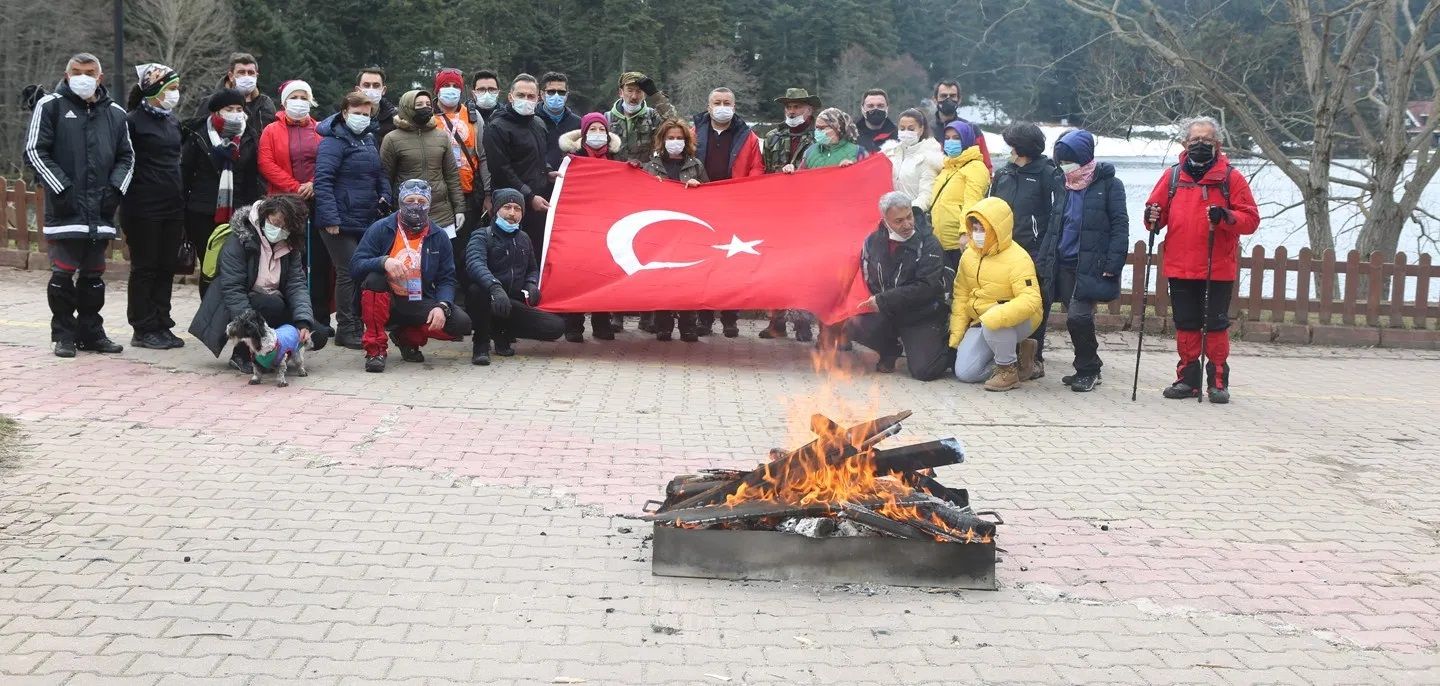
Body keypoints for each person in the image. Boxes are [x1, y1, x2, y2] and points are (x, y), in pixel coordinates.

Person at [1144, 116, 1260, 403]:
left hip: (1216, 267)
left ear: (1217, 145)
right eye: (1195, 141)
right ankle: (1187, 380)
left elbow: (1251, 219)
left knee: (1216, 325)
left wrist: (1226, 217)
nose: (1200, 145)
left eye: (1206, 141)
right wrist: (1151, 217)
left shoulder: (1231, 178)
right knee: (1185, 324)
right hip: (1180, 266)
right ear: (1185, 144)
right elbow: (1155, 214)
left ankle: (1218, 381)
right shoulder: (1172, 177)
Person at [25, 52, 134, 357]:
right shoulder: (51, 106)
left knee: (94, 276)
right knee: (62, 274)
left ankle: (91, 332)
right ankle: (63, 334)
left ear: (100, 77)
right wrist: (62, 188)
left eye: (89, 71)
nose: (82, 76)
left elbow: (127, 156)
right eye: (76, 71)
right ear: (67, 73)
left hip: (101, 210)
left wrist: (115, 190)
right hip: (65, 209)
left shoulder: (116, 113)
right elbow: (35, 150)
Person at [1029, 129, 1129, 392]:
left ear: (1083, 157)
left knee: (1078, 316)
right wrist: (1046, 257)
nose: (1064, 166)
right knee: (1060, 314)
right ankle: (1084, 363)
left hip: (1090, 264)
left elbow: (1120, 225)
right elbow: (1055, 223)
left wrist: (1113, 263)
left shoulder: (1109, 185)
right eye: (1061, 161)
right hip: (1061, 260)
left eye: (1068, 160)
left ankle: (1089, 368)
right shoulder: (1064, 184)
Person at [188, 195, 321, 372]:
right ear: (265, 216)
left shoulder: (291, 244)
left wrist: (303, 322)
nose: (279, 229)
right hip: (237, 304)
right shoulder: (240, 239)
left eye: (285, 226)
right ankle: (241, 354)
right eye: (275, 223)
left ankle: (276, 353)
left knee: (318, 335)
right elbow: (232, 290)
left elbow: (296, 284)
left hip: (273, 299)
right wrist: (251, 326)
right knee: (271, 304)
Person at [351, 179, 472, 373]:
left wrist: (442, 306)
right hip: (384, 298)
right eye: (410, 200)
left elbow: (447, 279)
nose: (416, 205)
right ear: (400, 202)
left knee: (460, 323)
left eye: (421, 200)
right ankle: (375, 350)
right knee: (375, 278)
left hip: (417, 298)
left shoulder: (439, 236)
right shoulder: (381, 228)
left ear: (429, 204)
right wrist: (383, 262)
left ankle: (406, 338)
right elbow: (355, 266)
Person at [314, 91, 392, 350]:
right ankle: (346, 328)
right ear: (344, 113)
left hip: (365, 218)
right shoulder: (332, 142)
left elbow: (379, 172)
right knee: (347, 272)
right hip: (338, 220)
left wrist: (385, 195)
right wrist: (330, 218)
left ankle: (358, 322)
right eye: (356, 113)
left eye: (365, 114)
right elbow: (322, 182)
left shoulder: (369, 140)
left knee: (362, 272)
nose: (361, 118)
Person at [848, 191, 951, 381]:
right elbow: (867, 277)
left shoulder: (929, 243)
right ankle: (889, 349)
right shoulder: (872, 241)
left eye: (909, 217)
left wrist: (884, 299)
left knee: (924, 372)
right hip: (888, 311)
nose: (907, 224)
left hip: (921, 315)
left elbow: (925, 287)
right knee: (847, 322)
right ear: (885, 220)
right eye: (899, 221)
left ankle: (945, 344)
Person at [990, 122, 1065, 380]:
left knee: (1034, 304)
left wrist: (1045, 252)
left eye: (1011, 144)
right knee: (1004, 301)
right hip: (1002, 251)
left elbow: (1056, 216)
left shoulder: (1048, 174)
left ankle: (1035, 356)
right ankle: (1005, 356)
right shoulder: (1003, 174)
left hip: (1033, 250)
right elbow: (990, 210)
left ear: (1019, 147)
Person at [258, 80, 332, 337]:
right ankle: (286, 314)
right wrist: (295, 186)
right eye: (294, 96)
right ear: (284, 101)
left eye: (304, 96)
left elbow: (326, 160)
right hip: (282, 205)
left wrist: (312, 183)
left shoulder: (321, 129)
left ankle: (319, 316)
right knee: (288, 261)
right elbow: (266, 163)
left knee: (317, 261)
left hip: (315, 201)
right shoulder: (271, 130)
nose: (299, 101)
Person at [121, 63, 186, 350]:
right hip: (143, 206)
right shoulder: (132, 121)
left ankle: (162, 321)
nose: (175, 94)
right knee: (145, 267)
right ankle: (143, 326)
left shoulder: (172, 121)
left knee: (165, 266)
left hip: (172, 205)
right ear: (154, 89)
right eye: (170, 88)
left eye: (177, 88)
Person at [949, 197, 1043, 392]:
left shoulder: (1019, 258)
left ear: (996, 229)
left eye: (982, 229)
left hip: (1018, 320)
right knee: (965, 373)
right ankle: (1020, 359)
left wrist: (996, 314)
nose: (977, 234)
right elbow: (961, 294)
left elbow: (1031, 299)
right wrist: (956, 335)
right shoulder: (968, 255)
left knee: (996, 322)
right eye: (974, 229)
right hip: (981, 320)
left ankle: (1008, 371)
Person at [465, 188, 565, 365]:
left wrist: (532, 284)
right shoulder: (481, 235)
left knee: (555, 327)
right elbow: (475, 264)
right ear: (496, 210)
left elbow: (532, 269)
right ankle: (481, 342)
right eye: (507, 207)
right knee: (476, 290)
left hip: (511, 302)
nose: (512, 213)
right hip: (488, 299)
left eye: (517, 209)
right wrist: (494, 287)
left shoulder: (524, 238)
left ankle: (502, 331)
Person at [692, 87, 763, 337]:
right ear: (708, 106)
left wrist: (746, 196)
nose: (722, 106)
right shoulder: (693, 132)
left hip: (735, 208)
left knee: (733, 265)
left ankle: (730, 318)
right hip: (702, 208)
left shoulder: (748, 137)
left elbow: (756, 169)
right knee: (703, 264)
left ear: (734, 105)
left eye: (727, 102)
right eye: (717, 102)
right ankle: (704, 317)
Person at [182, 89, 262, 293]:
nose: (235, 113)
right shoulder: (198, 134)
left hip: (238, 212)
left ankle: (228, 314)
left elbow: (253, 179)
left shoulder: (250, 136)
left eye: (239, 109)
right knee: (210, 267)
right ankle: (207, 316)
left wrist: (253, 211)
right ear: (217, 112)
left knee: (233, 267)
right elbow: (185, 173)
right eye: (229, 109)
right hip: (203, 211)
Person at [758, 87, 821, 340]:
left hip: (806, 212)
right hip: (775, 211)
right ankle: (776, 321)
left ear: (809, 110)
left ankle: (803, 323)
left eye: (797, 106)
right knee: (775, 268)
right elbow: (763, 170)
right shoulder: (772, 135)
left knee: (803, 269)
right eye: (788, 107)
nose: (792, 111)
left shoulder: (819, 137)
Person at [556, 111, 621, 342]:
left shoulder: (615, 161)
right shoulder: (571, 159)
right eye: (592, 130)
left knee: (602, 274)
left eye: (601, 129)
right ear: (583, 134)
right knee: (577, 273)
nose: (597, 134)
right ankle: (574, 325)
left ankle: (602, 323)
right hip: (577, 225)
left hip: (606, 224)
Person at [643, 120, 709, 342]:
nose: (675, 142)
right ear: (662, 140)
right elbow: (639, 199)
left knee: (687, 278)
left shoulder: (696, 165)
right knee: (662, 277)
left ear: (686, 140)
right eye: (670, 138)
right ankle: (663, 324)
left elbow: (711, 197)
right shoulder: (651, 166)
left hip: (688, 232)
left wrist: (698, 188)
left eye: (679, 138)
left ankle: (688, 324)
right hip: (660, 232)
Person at [380, 89, 466, 245]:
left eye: (428, 104)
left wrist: (459, 208)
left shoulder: (441, 136)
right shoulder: (392, 139)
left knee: (441, 264)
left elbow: (452, 176)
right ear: (407, 107)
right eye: (419, 104)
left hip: (442, 214)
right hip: (407, 215)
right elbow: (385, 178)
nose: (425, 107)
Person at [482, 74, 554, 256]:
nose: (526, 100)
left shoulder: (538, 123)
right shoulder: (497, 127)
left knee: (535, 251)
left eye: (531, 96)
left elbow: (538, 157)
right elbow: (501, 170)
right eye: (521, 95)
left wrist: (548, 171)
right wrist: (529, 197)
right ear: (510, 96)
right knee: (511, 255)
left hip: (539, 202)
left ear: (538, 98)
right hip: (511, 205)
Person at [434, 67, 491, 240]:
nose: (451, 89)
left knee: (463, 248)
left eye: (455, 86)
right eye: (446, 85)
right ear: (437, 89)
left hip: (468, 193)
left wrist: (488, 193)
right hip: (437, 195)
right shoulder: (428, 115)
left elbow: (483, 156)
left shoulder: (473, 116)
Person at [930, 120, 990, 268]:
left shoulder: (975, 167)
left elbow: (972, 202)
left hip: (959, 243)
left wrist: (965, 233)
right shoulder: (947, 166)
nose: (951, 142)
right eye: (948, 138)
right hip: (939, 242)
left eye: (956, 138)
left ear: (967, 140)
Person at [882, 109, 943, 228]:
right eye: (902, 128)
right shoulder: (889, 154)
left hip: (914, 220)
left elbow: (926, 195)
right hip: (888, 219)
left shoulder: (929, 158)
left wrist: (906, 212)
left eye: (911, 129)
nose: (906, 132)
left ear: (921, 129)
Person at [193, 52, 276, 128]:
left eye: (251, 73)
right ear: (231, 76)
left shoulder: (265, 104)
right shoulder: (210, 103)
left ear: (256, 76)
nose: (246, 76)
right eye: (241, 72)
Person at [607, 71, 674, 163]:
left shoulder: (653, 117)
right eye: (630, 90)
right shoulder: (607, 118)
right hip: (615, 174)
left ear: (645, 94)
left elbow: (675, 123)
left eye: (639, 91)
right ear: (621, 92)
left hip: (644, 173)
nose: (634, 96)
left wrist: (656, 96)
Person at [931, 79, 990, 170]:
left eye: (952, 96)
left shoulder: (972, 130)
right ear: (935, 100)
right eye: (943, 96)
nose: (948, 99)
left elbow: (986, 165)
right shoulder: (927, 130)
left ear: (959, 100)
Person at [540, 71, 581, 170]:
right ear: (542, 94)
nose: (556, 96)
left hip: (567, 179)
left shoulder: (578, 123)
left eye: (561, 92)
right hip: (538, 179)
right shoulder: (532, 120)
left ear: (566, 95)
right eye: (551, 91)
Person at [357, 67, 399, 146]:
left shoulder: (395, 120)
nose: (371, 89)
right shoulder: (346, 118)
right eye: (366, 85)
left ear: (383, 90)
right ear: (358, 90)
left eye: (376, 85)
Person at [855, 88, 897, 154]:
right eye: (870, 106)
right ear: (862, 108)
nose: (875, 109)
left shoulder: (899, 135)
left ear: (887, 108)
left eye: (880, 106)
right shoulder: (851, 136)